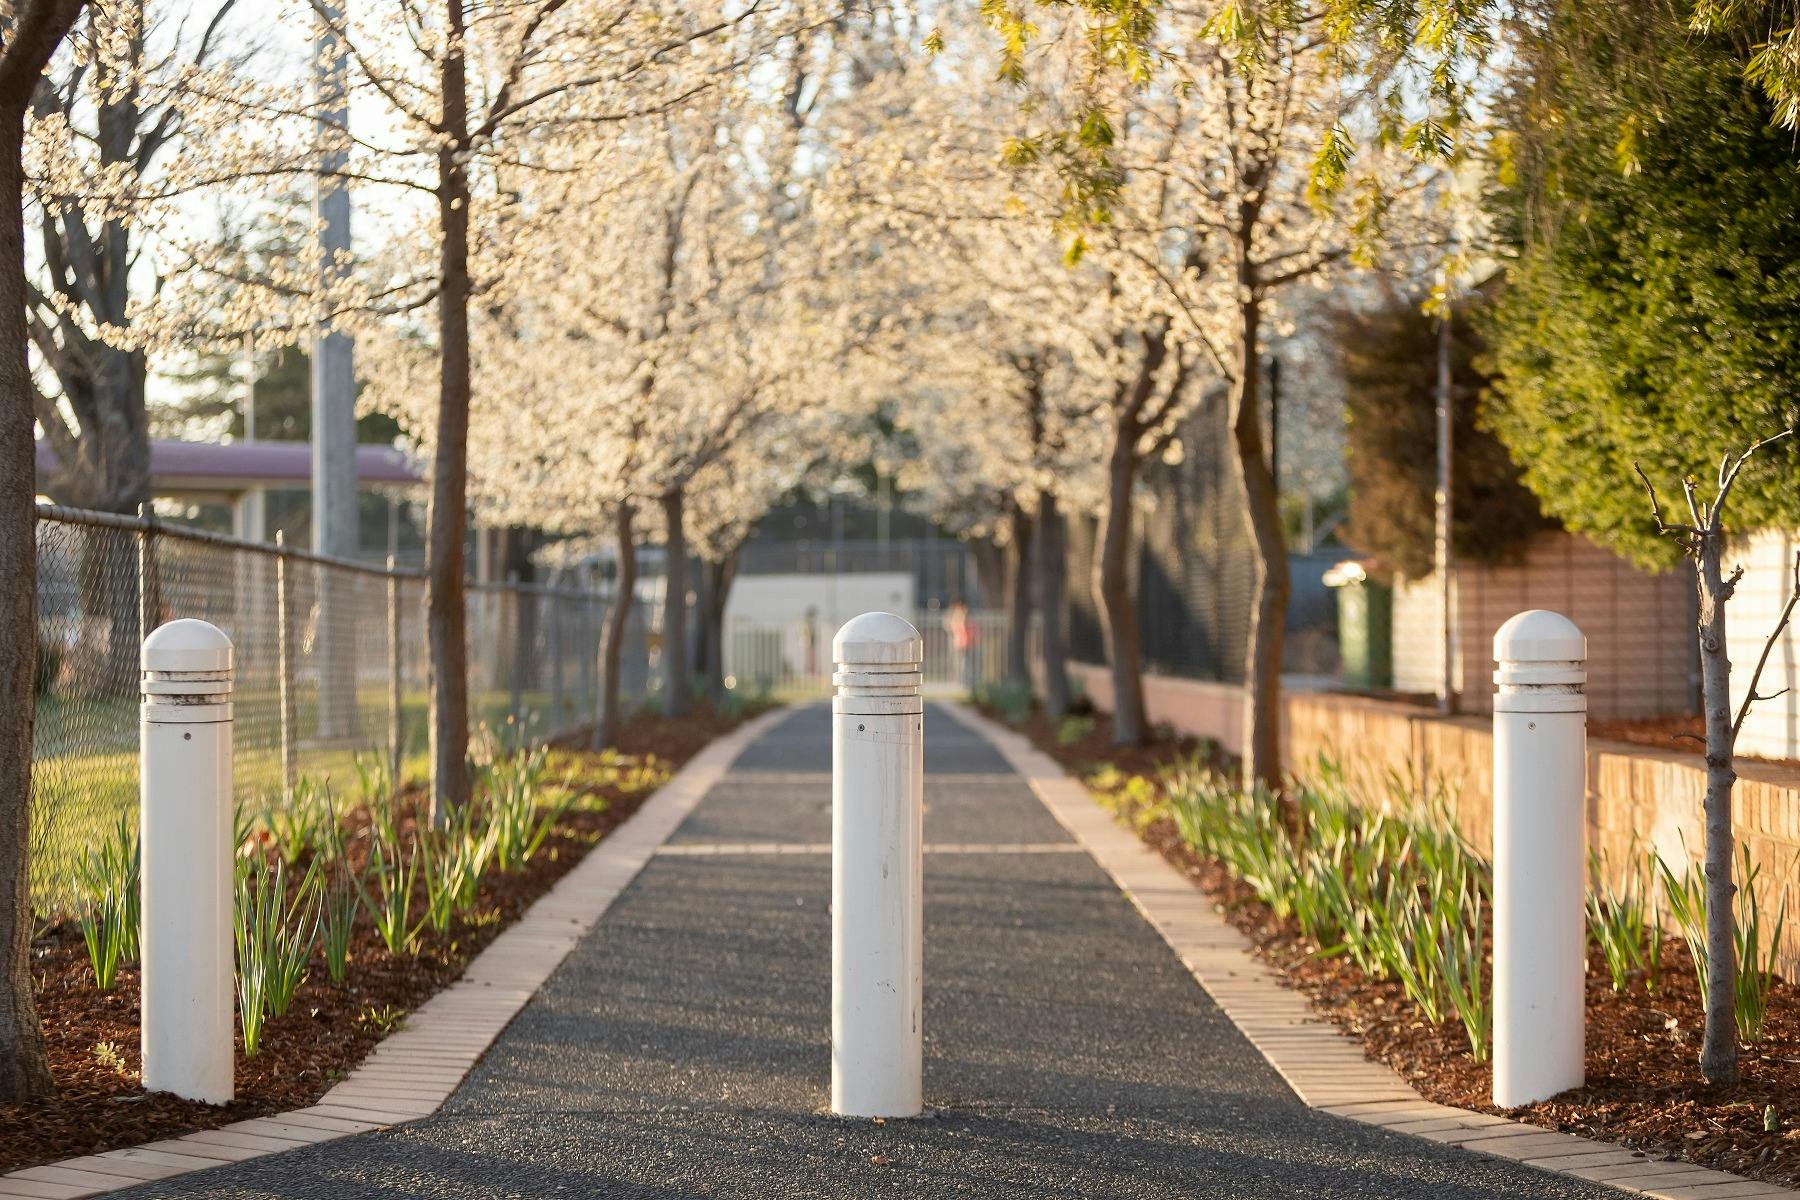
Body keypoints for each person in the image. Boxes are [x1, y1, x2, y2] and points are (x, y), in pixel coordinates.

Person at [948, 601, 978, 690]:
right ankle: (960, 681)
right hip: (961, 643)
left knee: (965, 663)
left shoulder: (968, 616)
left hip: (967, 643)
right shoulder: (958, 616)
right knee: (960, 663)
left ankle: (965, 681)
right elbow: (956, 627)